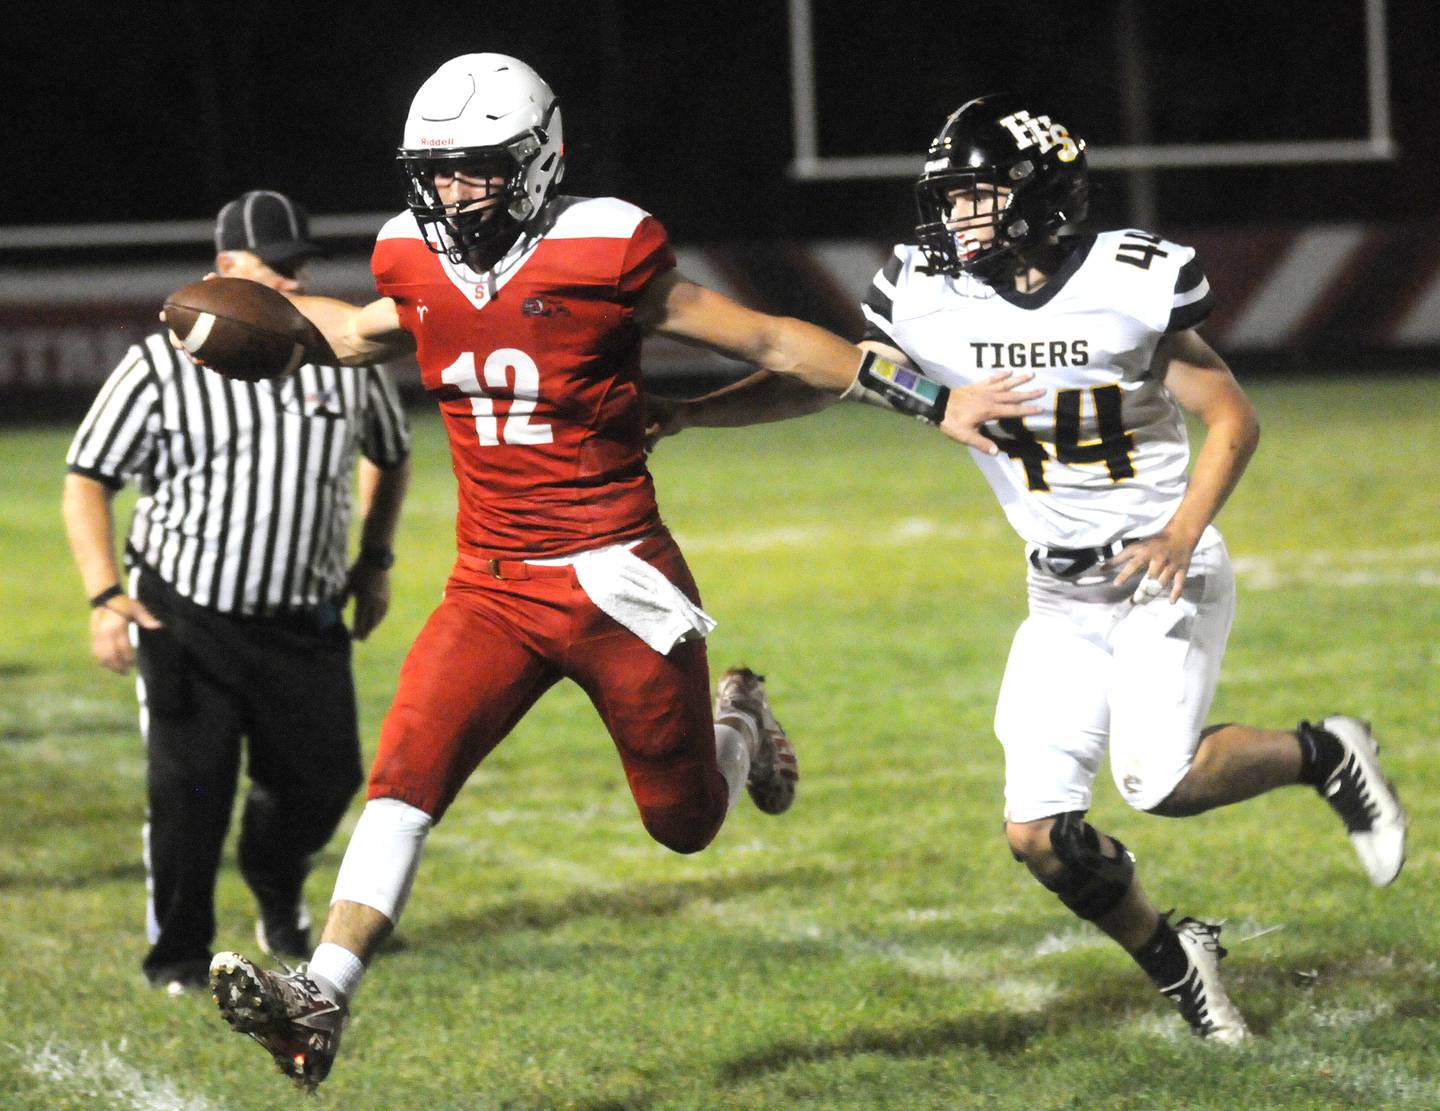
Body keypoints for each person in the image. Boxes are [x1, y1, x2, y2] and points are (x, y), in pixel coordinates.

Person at [205, 55, 1039, 1090]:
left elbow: (776, 338)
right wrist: (251, 306)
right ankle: (323, 992)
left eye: (476, 170)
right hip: (493, 584)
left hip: (616, 582)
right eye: (438, 171)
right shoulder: (407, 257)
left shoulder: (601, 246)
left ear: (536, 159)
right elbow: (358, 332)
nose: (454, 192)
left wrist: (929, 398)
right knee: (405, 777)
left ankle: (739, 722)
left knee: (684, 824)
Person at [653, 94, 1408, 1043]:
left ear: (1036, 197)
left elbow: (1234, 417)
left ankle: (1326, 750)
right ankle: (1181, 959)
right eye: (951, 199)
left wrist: (1181, 531)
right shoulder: (931, 291)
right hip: (1056, 594)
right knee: (1039, 839)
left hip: (1158, 572)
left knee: (1157, 779)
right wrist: (692, 413)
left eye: (974, 197)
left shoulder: (1129, 282)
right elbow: (830, 378)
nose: (953, 219)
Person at [62, 189, 412, 995]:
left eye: (301, 264)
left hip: (307, 615)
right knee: (188, 792)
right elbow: (88, 477)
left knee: (322, 782)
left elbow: (390, 454)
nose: (294, 281)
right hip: (188, 612)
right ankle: (178, 957)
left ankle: (275, 882)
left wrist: (376, 557)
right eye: (276, 266)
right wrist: (103, 592)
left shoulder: (345, 361)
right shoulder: (157, 363)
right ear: (226, 271)